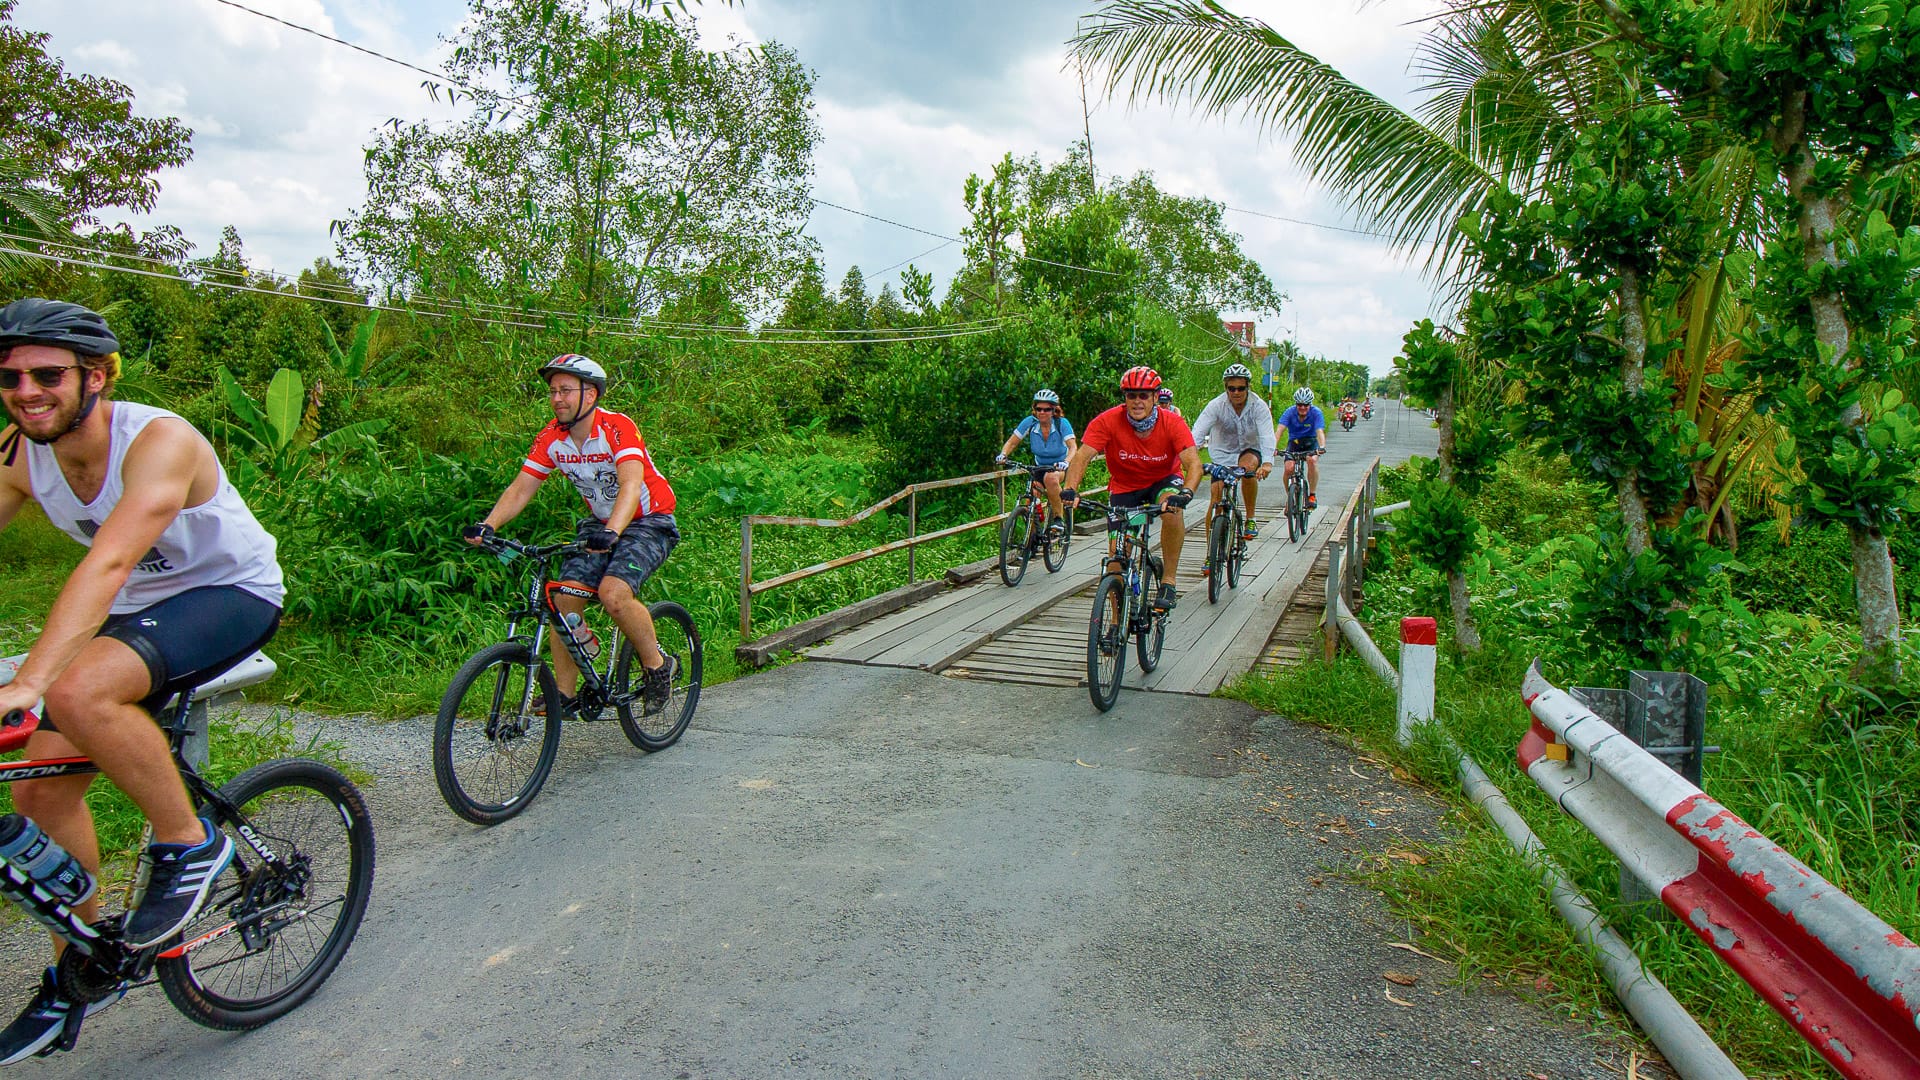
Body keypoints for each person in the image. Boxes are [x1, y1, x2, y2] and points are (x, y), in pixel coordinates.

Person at [0, 298, 285, 1061]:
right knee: (37, 789)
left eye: (48, 374)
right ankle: (83, 960)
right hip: (136, 616)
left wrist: (30, 680)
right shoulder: (18, 452)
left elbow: (111, 561)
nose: (27, 390)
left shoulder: (159, 440)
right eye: (10, 376)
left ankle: (188, 843)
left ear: (96, 376)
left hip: (231, 594)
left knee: (75, 690)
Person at [465, 354, 680, 717]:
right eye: (552, 391)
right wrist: (489, 526)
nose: (557, 399)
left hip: (649, 519)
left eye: (566, 390)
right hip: (600, 525)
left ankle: (658, 666)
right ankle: (563, 694)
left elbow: (630, 485)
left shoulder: (616, 428)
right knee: (563, 600)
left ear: (591, 395)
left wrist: (613, 530)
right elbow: (522, 488)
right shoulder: (552, 438)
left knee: (614, 594)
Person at [1060, 367, 1202, 612]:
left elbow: (1194, 463)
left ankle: (1168, 580)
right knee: (1116, 562)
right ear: (1124, 397)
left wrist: (1186, 493)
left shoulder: (1172, 422)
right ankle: (1116, 625)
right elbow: (1082, 457)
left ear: (1156, 398)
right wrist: (1070, 489)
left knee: (1172, 509)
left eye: (1144, 396)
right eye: (1131, 395)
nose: (1137, 401)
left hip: (1163, 480)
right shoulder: (1107, 421)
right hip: (1125, 487)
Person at [1188, 363, 1276, 569]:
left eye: (1241, 388)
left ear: (1248, 387)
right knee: (1216, 498)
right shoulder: (1216, 405)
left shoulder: (1259, 406)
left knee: (1247, 469)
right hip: (1222, 453)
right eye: (1232, 388)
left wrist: (1268, 463)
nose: (1236, 393)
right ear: (1226, 388)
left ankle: (1251, 518)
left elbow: (1266, 435)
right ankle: (1211, 552)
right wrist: (1189, 459)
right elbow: (1197, 433)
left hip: (1248, 449)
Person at [995, 388, 1077, 539]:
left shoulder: (1061, 424)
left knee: (1050, 479)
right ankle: (1032, 537)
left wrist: (1066, 461)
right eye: (1038, 408)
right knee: (1030, 497)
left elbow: (1073, 447)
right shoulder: (1030, 423)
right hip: (1039, 466)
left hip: (1059, 466)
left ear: (1054, 410)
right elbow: (1012, 442)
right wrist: (1003, 454)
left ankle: (1058, 520)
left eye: (1047, 409)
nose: (1042, 412)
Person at [1281, 386, 1327, 509]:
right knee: (1288, 468)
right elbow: (1279, 430)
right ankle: (1290, 499)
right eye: (1299, 404)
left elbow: (1319, 431)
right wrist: (1272, 448)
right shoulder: (1289, 412)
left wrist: (1322, 446)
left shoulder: (1316, 412)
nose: (1302, 408)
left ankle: (1312, 494)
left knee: (1312, 461)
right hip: (1294, 442)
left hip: (1310, 442)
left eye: (1305, 405)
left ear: (1310, 404)